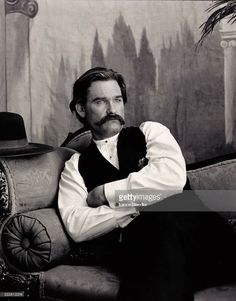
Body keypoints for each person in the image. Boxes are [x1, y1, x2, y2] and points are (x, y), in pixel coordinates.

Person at [58, 67, 236, 301]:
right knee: (151, 228)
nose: (113, 109)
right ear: (81, 108)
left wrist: (106, 193)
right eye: (101, 101)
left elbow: (172, 179)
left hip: (204, 242)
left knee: (157, 224)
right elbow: (77, 225)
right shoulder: (75, 166)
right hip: (149, 252)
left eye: (117, 100)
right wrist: (138, 204)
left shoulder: (151, 132)